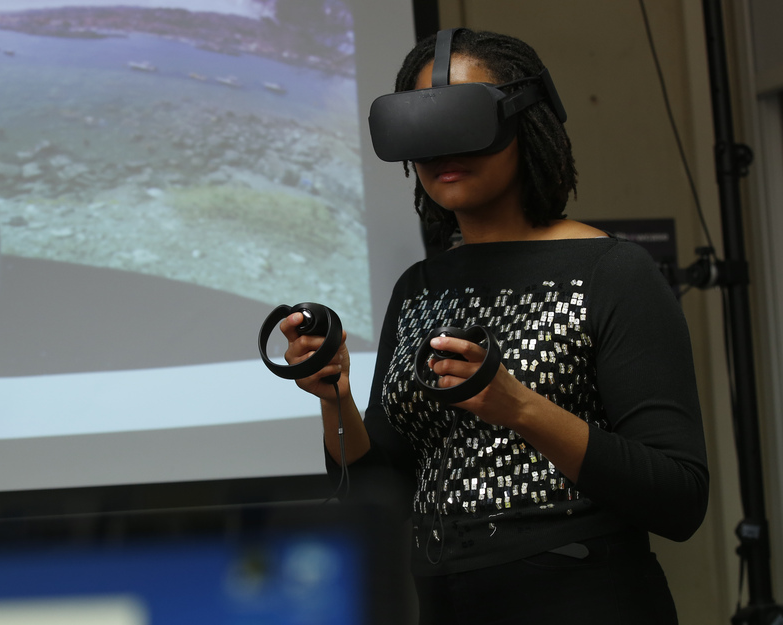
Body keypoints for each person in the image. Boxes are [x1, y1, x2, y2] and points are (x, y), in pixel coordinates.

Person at [279, 28, 708, 625]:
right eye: (423, 128)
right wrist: (336, 397)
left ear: (524, 123)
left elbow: (680, 497)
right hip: (445, 602)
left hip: (582, 598)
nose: (443, 148)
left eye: (464, 122)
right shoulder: (421, 288)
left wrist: (520, 408)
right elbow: (383, 491)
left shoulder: (612, 272)